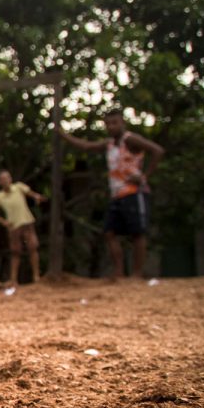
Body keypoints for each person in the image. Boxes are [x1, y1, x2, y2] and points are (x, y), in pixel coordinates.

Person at [58, 109, 165, 280]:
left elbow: (157, 151)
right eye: (107, 124)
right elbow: (86, 146)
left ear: (122, 123)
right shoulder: (109, 144)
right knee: (109, 232)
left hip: (134, 192)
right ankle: (119, 273)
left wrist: (145, 176)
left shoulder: (130, 140)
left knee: (137, 233)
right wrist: (62, 134)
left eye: (114, 122)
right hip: (117, 195)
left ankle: (137, 274)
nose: (111, 126)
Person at [0, 170, 47, 287]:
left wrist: (37, 197)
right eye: (3, 179)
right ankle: (14, 279)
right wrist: (4, 222)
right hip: (13, 225)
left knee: (33, 247)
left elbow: (31, 193)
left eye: (7, 177)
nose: (5, 180)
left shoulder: (19, 187)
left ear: (10, 179)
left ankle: (36, 276)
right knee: (15, 251)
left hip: (26, 221)